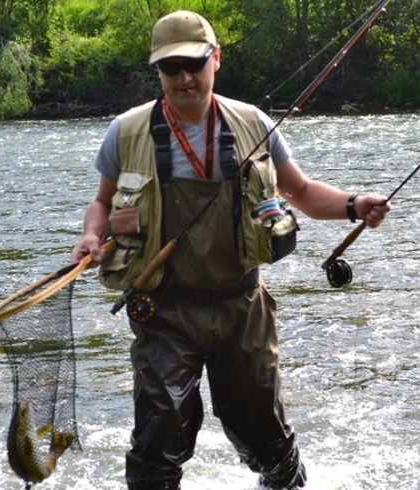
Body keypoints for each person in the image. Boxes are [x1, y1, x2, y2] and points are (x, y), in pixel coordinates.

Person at [71, 10, 391, 490]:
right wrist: (91, 235)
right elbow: (100, 202)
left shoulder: (253, 123)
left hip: (243, 308)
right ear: (157, 70)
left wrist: (353, 204)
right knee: (158, 437)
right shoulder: (126, 131)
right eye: (170, 67)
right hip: (162, 309)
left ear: (215, 60)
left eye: (194, 65)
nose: (184, 78)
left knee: (264, 433)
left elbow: (300, 192)